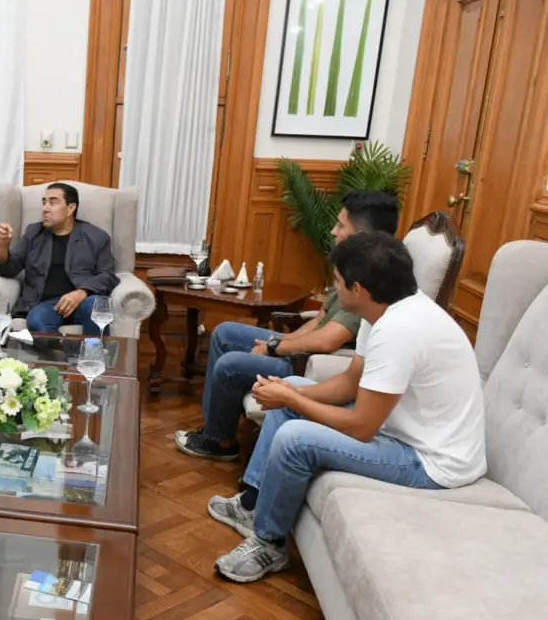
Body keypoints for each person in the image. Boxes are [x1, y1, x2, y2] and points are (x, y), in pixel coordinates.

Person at [208, 231, 485, 583]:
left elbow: (361, 426)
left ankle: (269, 543)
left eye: (338, 282)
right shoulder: (382, 310)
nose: (334, 290)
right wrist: (290, 392)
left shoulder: (399, 329)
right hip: (403, 431)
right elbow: (349, 384)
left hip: (432, 461)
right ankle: (255, 505)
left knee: (295, 437)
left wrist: (291, 399)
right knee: (292, 389)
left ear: (358, 289)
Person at [175, 189, 400, 461]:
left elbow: (327, 340)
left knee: (229, 365)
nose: (333, 231)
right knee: (224, 332)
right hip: (301, 351)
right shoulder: (352, 266)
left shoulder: (370, 281)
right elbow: (319, 320)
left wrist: (275, 348)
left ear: (362, 235)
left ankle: (219, 443)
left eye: (341, 226)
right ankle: (216, 430)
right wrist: (278, 343)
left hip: (312, 362)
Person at [0, 182, 117, 335]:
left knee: (95, 306)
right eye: (44, 202)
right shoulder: (33, 233)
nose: (45, 208)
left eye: (53, 203)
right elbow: (8, 270)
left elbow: (108, 275)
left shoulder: (96, 237)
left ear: (71, 208)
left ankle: (94, 350)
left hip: (83, 302)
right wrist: (3, 246)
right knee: (37, 320)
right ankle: (65, 351)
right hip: (46, 305)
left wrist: (81, 292)